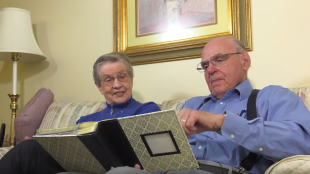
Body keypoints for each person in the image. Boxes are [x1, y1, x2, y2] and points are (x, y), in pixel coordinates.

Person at [107, 37, 310, 174]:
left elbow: (303, 143)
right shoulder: (193, 104)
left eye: (219, 60)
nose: (210, 70)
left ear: (245, 61)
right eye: (205, 65)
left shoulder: (272, 96)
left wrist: (221, 122)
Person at [0, 52, 161, 174]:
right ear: (99, 87)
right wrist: (43, 145)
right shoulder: (85, 121)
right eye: (108, 79)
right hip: (83, 169)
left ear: (131, 79)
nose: (117, 84)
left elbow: (156, 156)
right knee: (29, 149)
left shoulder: (148, 110)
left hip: (122, 170)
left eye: (122, 76)